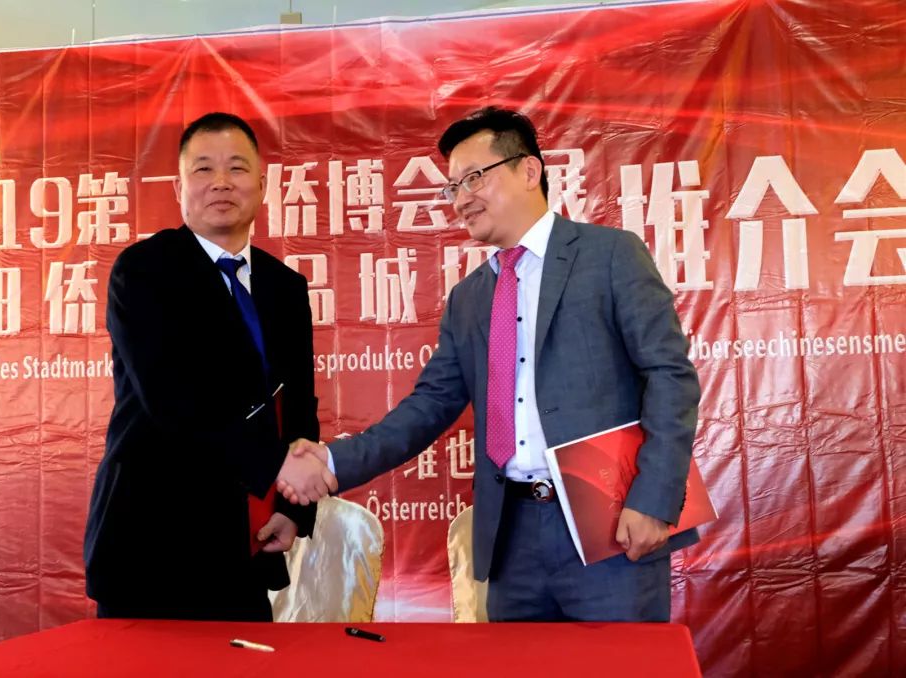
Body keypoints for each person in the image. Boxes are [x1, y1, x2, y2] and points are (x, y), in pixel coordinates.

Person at [278, 106, 700, 622]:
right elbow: (428, 407)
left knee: (617, 663)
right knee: (515, 664)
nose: (461, 199)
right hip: (511, 537)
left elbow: (670, 377)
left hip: (610, 526)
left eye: (474, 177)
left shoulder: (609, 255)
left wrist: (654, 498)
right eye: (453, 187)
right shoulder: (470, 299)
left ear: (529, 170)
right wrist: (331, 462)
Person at [83, 112, 332, 621]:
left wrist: (292, 508)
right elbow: (172, 401)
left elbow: (297, 405)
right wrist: (275, 466)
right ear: (180, 188)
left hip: (246, 546)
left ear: (262, 185)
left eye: (237, 168)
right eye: (203, 169)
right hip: (149, 542)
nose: (221, 182)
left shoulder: (284, 287)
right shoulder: (144, 271)